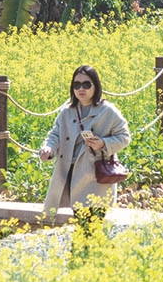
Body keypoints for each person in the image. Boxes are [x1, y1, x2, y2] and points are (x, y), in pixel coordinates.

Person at [39, 65, 131, 234]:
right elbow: (54, 135)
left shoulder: (108, 111)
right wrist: (48, 149)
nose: (81, 89)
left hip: (95, 178)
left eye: (86, 84)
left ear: (96, 86)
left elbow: (124, 136)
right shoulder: (67, 112)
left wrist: (103, 143)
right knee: (83, 226)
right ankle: (89, 257)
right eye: (76, 85)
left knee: (90, 227)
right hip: (71, 174)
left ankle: (85, 257)